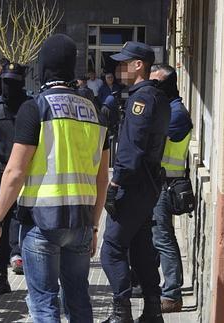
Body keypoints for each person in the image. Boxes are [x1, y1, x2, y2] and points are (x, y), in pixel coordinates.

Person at [0, 34, 110, 322]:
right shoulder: (95, 112)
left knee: (44, 304)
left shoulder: (35, 108)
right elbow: (102, 178)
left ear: (43, 68)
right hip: (79, 222)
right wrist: (94, 225)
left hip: (40, 223)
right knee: (78, 298)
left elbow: (15, 172)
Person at [100, 41, 171, 323]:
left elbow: (132, 147)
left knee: (112, 249)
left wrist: (115, 184)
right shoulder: (157, 96)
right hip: (147, 185)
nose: (118, 69)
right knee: (141, 246)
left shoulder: (141, 99)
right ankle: (152, 310)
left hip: (133, 184)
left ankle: (121, 314)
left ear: (138, 65)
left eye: (123, 63)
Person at [150, 63, 193, 313]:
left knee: (163, 238)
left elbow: (153, 142)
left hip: (167, 185)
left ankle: (172, 294)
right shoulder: (168, 109)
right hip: (161, 183)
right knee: (157, 236)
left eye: (156, 83)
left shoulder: (175, 113)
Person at [0, 62, 28, 297]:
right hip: (2, 175)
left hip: (30, 176)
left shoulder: (32, 107)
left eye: (13, 82)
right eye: (5, 82)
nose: (8, 87)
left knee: (32, 227)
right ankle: (1, 278)